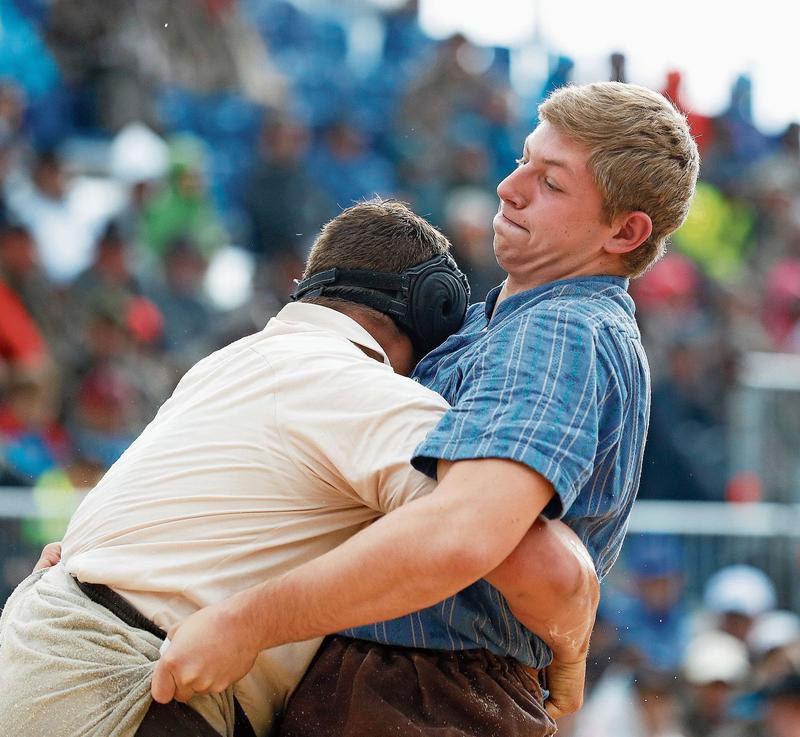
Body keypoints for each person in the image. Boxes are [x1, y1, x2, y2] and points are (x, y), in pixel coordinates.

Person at [151, 81, 700, 737]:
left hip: (432, 692)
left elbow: (463, 533)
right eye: (524, 159)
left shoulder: (561, 332)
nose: (510, 186)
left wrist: (247, 621)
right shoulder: (495, 322)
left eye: (551, 182)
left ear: (625, 229)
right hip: (398, 680)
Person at [0, 199, 596, 737]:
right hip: (127, 687)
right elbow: (533, 563)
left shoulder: (227, 363)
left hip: (39, 649)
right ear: (428, 310)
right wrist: (568, 657)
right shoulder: (360, 388)